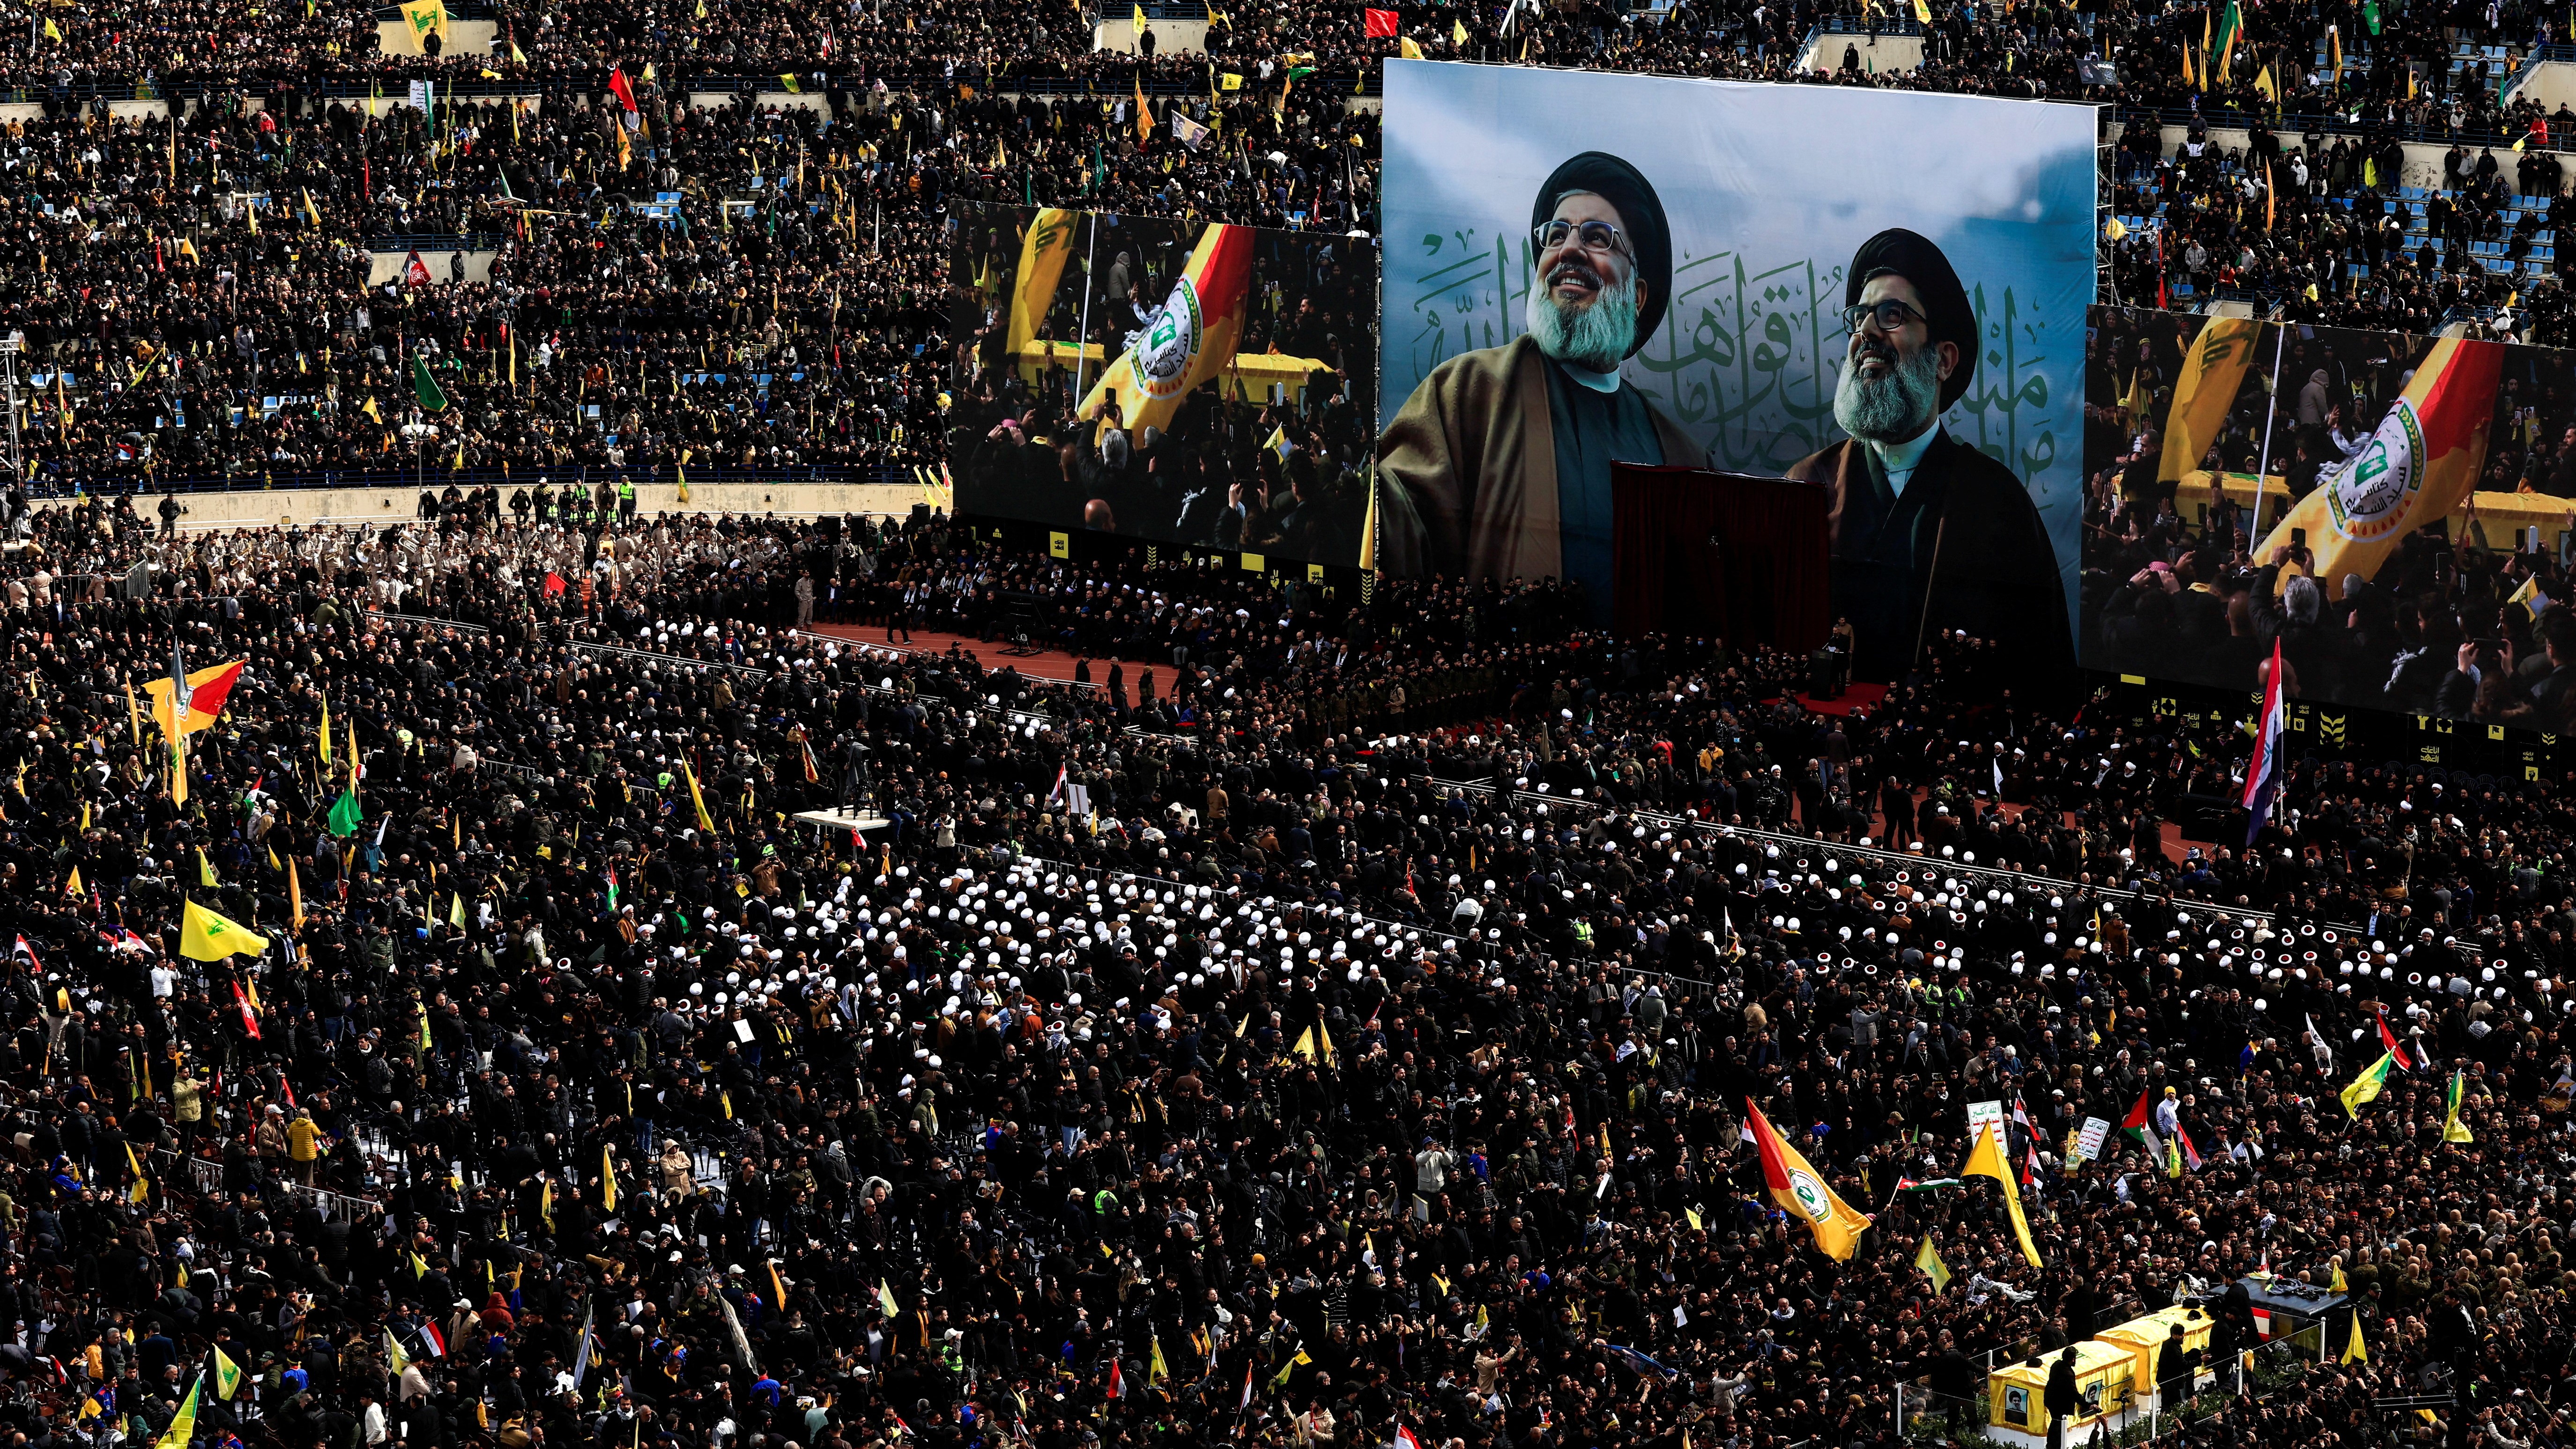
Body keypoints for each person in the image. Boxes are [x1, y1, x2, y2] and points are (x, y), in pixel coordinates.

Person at [1375, 152, 1699, 601]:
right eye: (1557, 234)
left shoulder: (1677, 452)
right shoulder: (1468, 391)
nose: (1568, 249)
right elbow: (1398, 519)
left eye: (1598, 237)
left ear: (1637, 296)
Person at [1786, 228, 2071, 678]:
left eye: (1891, 314)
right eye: (1859, 317)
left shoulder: (1996, 502)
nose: (1865, 332)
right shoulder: (1805, 487)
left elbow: (2039, 669)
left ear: (1943, 360)